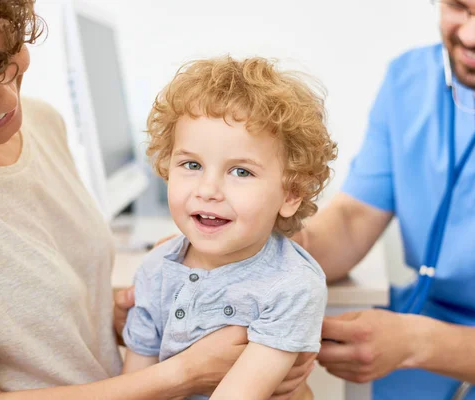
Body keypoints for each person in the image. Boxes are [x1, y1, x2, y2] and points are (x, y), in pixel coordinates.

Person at [0, 2, 312, 399]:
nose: (3, 99)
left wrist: (142, 317)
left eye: (5, 60)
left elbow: (57, 321)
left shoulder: (42, 123)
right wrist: (186, 371)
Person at [291, 0, 475, 398]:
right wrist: (266, 246)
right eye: (458, 6)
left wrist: (414, 343)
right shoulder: (409, 81)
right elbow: (353, 219)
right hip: (407, 350)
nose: (473, 35)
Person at [120, 56, 337, 400]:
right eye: (192, 164)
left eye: (240, 172)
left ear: (291, 193)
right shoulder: (155, 270)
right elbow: (136, 388)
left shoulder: (292, 287)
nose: (207, 190)